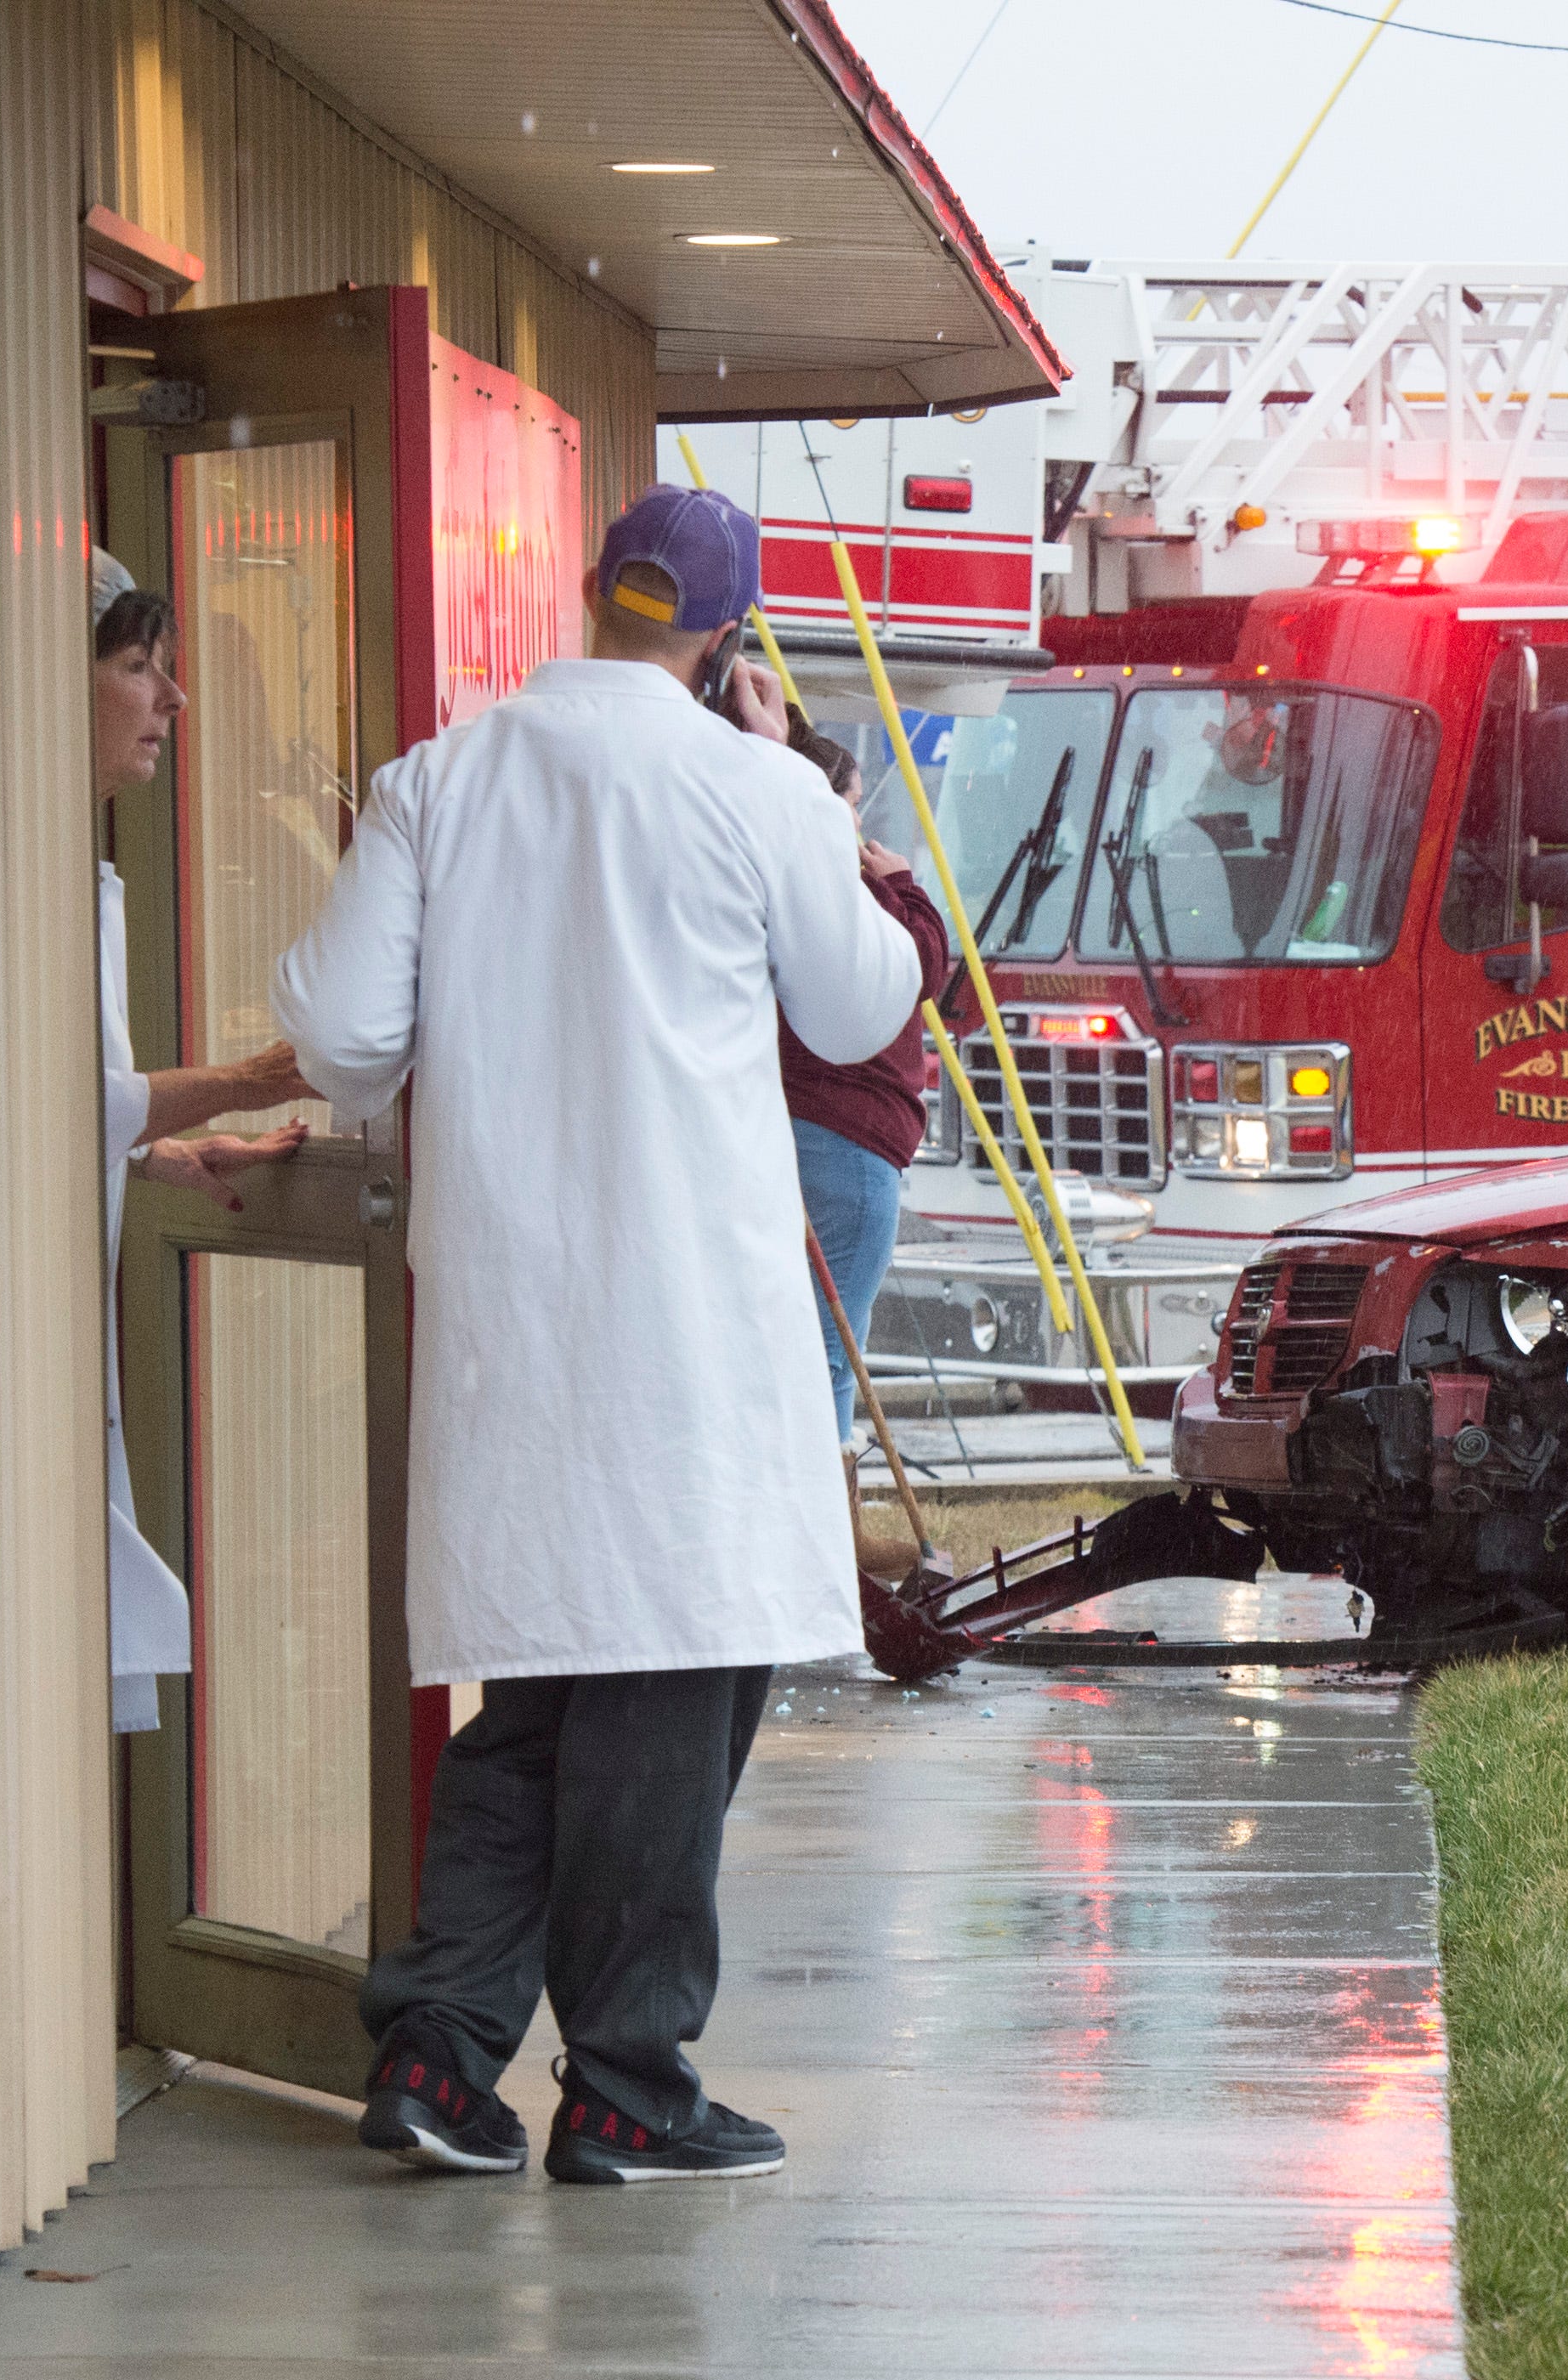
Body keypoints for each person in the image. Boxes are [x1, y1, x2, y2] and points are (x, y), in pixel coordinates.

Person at [275, 486, 920, 2185]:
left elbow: (342, 1035)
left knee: (538, 1693)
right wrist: (813, 806)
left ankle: (440, 2047)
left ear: (585, 588)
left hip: (510, 1323)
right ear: (728, 633)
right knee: (666, 1695)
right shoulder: (755, 787)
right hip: (690, 1329)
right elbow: (860, 1000)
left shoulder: (435, 783)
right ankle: (629, 2080)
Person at [88, 549, 311, 1734]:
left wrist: (155, 1151)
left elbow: (72, 1111)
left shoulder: (79, 862)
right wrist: (248, 1079)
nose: (175, 699)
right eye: (140, 665)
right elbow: (37, 1103)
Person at [773, 713, 971, 1486]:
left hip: (798, 1127)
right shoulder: (850, 894)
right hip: (850, 1138)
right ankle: (826, 1512)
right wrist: (904, 884)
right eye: (855, 804)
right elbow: (920, 966)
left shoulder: (778, 882)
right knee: (831, 1346)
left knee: (801, 1335)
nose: (861, 826)